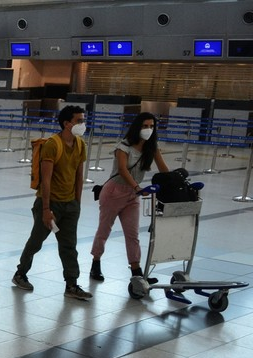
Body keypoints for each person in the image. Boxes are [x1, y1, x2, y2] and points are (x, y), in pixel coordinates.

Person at [12, 105, 92, 301]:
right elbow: (46, 180)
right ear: (67, 123)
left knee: (69, 246)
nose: (82, 124)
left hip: (70, 204)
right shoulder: (53, 145)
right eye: (79, 121)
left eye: (83, 120)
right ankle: (20, 273)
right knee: (36, 242)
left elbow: (79, 176)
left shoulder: (81, 144)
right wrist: (46, 210)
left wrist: (77, 203)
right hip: (49, 204)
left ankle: (71, 284)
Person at [89, 112, 170, 282]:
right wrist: (137, 187)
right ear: (137, 127)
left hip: (133, 195)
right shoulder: (123, 146)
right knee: (104, 230)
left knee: (132, 234)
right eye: (145, 126)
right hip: (113, 192)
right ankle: (95, 263)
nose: (148, 129)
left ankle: (136, 271)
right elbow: (123, 170)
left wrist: (174, 180)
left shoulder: (151, 148)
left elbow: (164, 169)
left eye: (151, 126)